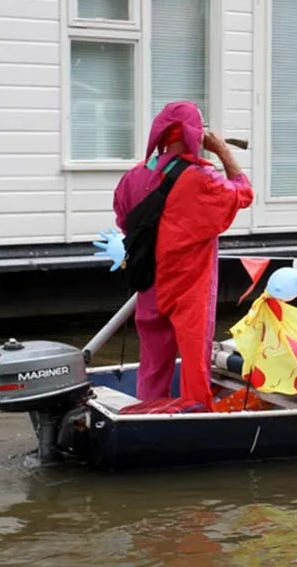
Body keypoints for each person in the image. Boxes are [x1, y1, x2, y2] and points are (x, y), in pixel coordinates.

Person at [113, 101, 253, 410]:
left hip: (149, 282)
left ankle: (146, 414)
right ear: (195, 135)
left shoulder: (132, 178)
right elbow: (243, 193)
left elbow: (123, 221)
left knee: (152, 362)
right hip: (188, 287)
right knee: (194, 360)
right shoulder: (201, 179)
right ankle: (195, 412)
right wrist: (223, 152)